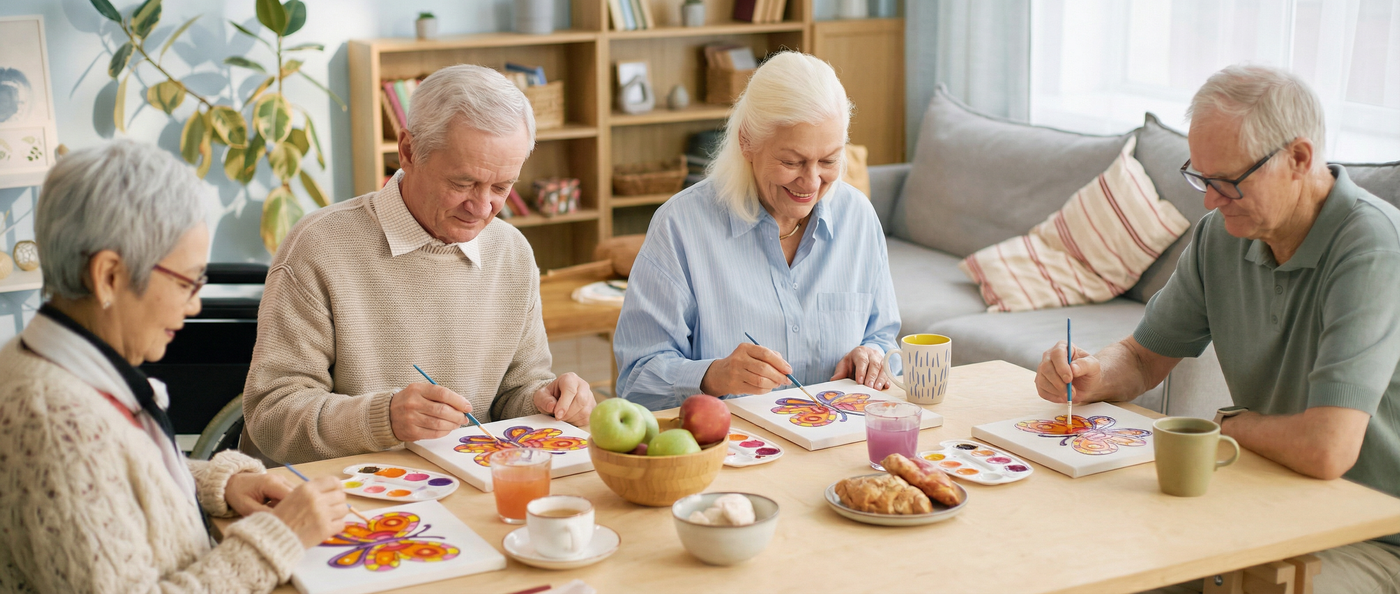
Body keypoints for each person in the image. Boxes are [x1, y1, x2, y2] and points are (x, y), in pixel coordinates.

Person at [1034, 65, 1400, 593]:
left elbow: (1327, 449)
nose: (1208, 200)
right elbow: (1142, 358)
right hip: (1262, 499)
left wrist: (1230, 426)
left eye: (1228, 182)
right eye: (1201, 178)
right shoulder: (1222, 235)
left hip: (1371, 534)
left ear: (1298, 159)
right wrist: (1093, 373)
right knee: (1091, 557)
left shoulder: (1371, 249)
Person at [0, 140, 346, 593]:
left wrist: (219, 484)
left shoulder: (46, 360)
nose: (195, 304)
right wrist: (279, 538)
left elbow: (112, 487)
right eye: (187, 282)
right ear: (108, 276)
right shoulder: (56, 422)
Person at [242, 64, 595, 464]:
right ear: (408, 151)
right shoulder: (319, 247)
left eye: (501, 187)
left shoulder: (511, 251)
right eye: (462, 183)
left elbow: (515, 391)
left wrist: (544, 400)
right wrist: (382, 419)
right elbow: (270, 417)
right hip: (339, 496)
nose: (482, 208)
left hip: (460, 485)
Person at [614, 52, 900, 410]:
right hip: (735, 453)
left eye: (828, 160)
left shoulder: (858, 218)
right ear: (747, 141)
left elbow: (883, 337)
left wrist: (873, 355)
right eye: (791, 162)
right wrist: (713, 375)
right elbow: (637, 381)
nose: (811, 182)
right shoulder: (680, 227)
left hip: (839, 444)